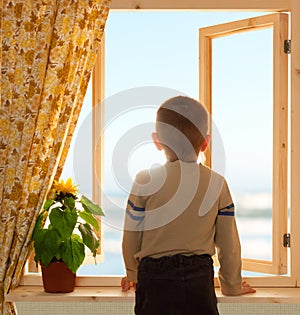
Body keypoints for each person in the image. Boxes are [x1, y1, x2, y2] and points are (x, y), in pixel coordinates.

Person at [121, 96, 255, 315]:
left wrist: (133, 274)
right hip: (198, 279)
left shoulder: (144, 180)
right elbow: (228, 243)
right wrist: (232, 285)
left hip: (154, 280)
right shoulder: (217, 183)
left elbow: (131, 237)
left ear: (157, 141)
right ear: (205, 142)